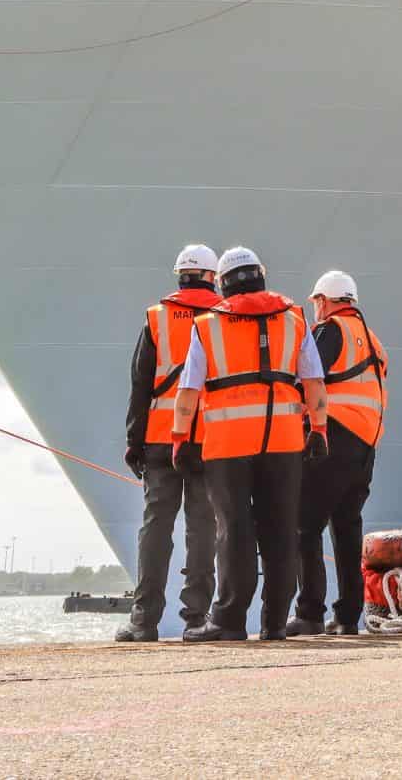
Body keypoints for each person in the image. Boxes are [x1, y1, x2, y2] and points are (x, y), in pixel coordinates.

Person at [173, 247, 328, 643]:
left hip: (227, 445)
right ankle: (275, 622)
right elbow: (313, 382)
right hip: (284, 440)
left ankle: (228, 621)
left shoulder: (207, 325)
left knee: (235, 532)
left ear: (223, 283)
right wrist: (319, 430)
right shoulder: (294, 320)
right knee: (280, 530)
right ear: (261, 275)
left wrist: (180, 439)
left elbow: (189, 389)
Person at [115, 244, 224, 643]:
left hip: (161, 439)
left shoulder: (157, 319)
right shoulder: (225, 318)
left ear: (179, 275)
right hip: (210, 439)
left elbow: (140, 384)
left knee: (156, 527)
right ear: (213, 276)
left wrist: (134, 440)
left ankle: (144, 621)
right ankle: (196, 620)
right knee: (203, 528)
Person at [287, 270, 388, 637]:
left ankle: (309, 612)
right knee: (346, 529)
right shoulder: (373, 341)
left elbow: (312, 378)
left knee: (304, 524)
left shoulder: (331, 331)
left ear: (324, 301)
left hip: (334, 438)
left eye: (316, 302)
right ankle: (347, 617)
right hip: (366, 447)